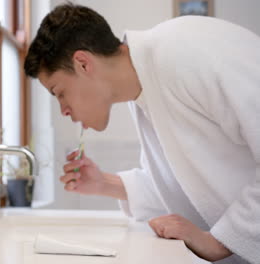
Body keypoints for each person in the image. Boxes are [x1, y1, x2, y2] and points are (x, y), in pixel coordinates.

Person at [24, 3, 259, 264]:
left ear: (82, 64)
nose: (64, 110)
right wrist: (105, 184)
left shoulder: (184, 47)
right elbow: (185, 187)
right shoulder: (145, 88)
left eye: (59, 93)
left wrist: (219, 243)